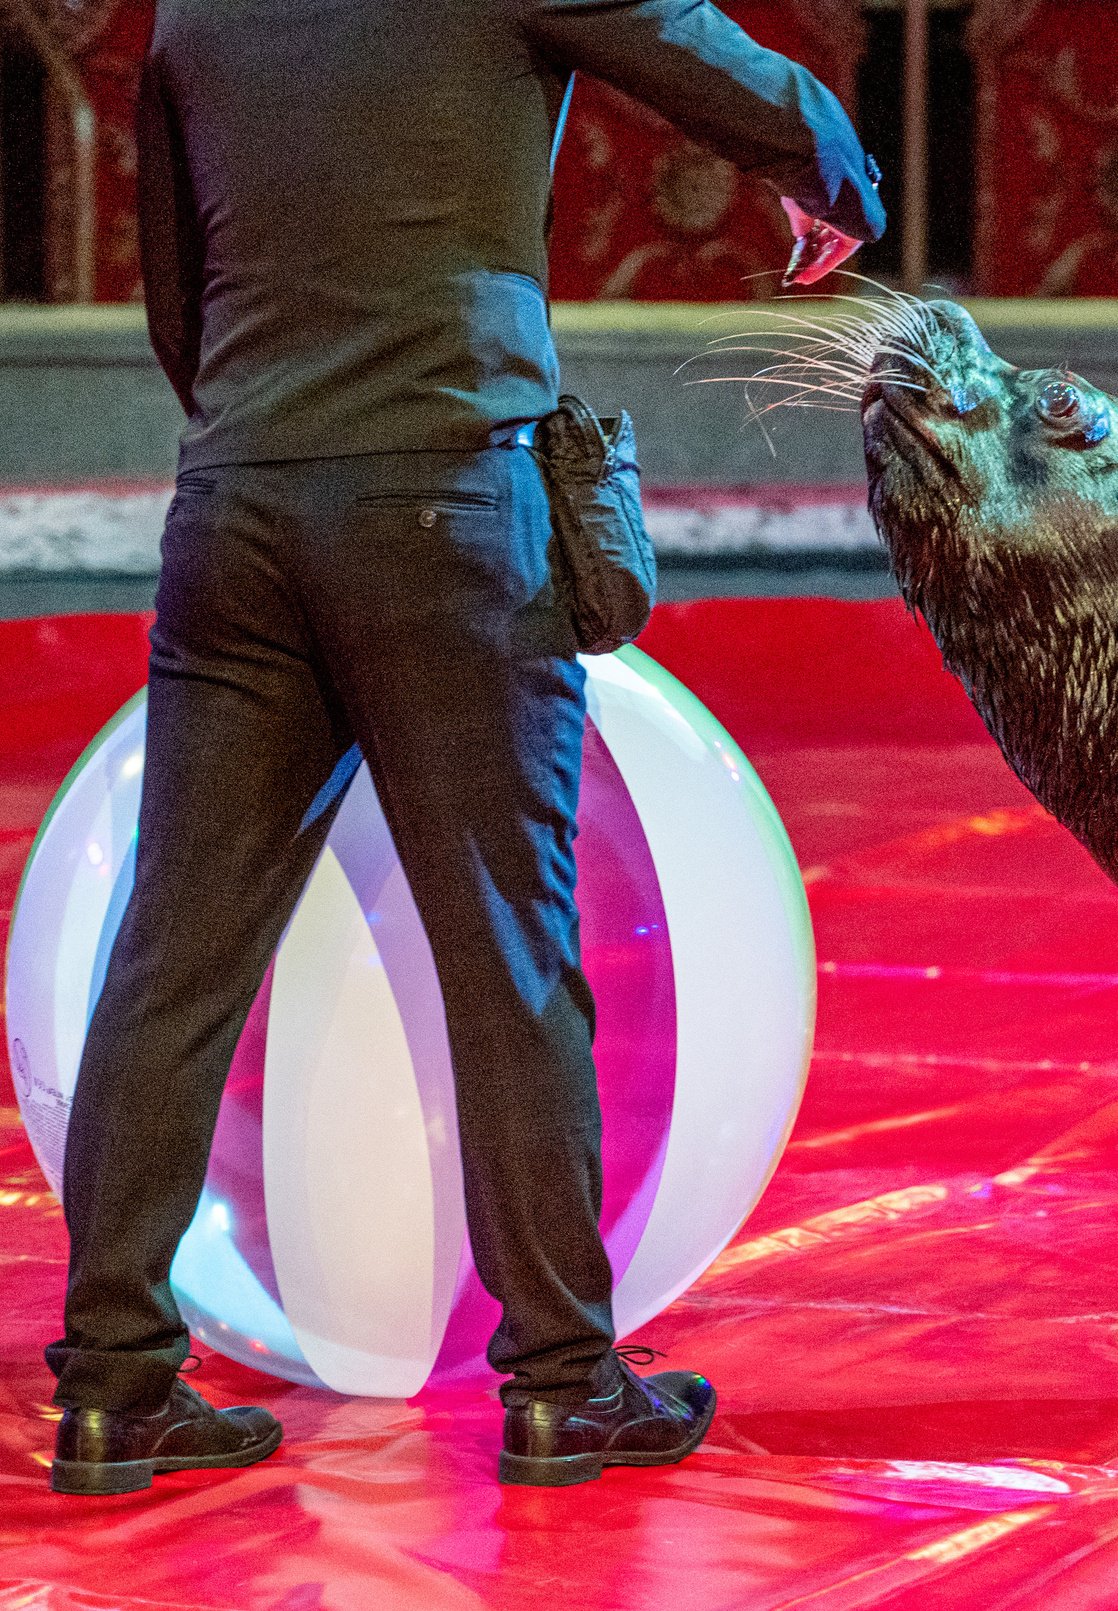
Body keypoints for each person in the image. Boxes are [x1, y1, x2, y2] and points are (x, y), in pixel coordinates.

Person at [47, 0, 883, 1496]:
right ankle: (563, 1382)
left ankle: (113, 1392)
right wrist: (834, 178)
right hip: (444, 497)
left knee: (172, 955)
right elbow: (720, 66)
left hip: (236, 501)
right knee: (507, 949)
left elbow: (176, 294)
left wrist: (276, 435)